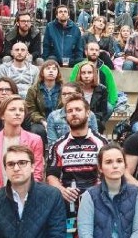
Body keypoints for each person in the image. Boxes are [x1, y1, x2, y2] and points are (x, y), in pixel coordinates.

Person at [46, 93, 109, 232]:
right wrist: (62, 190)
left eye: (78, 110)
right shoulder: (58, 145)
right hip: (67, 201)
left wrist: (96, 192)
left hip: (96, 200)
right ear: (65, 116)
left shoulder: (102, 143)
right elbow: (51, 175)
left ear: (87, 113)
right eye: (70, 111)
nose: (74, 114)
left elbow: (109, 174)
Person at [0, 144, 66, 238]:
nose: (16, 168)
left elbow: (57, 234)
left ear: (33, 167)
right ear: (5, 169)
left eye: (22, 163)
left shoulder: (52, 196)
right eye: (11, 164)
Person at [0, 95, 44, 198]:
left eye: (21, 110)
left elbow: (36, 174)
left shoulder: (35, 140)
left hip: (26, 197)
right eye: (12, 109)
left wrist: (24, 196)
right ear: (2, 115)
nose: (18, 113)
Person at [77, 144, 138, 238]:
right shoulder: (89, 196)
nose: (115, 166)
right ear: (100, 168)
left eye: (119, 161)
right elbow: (85, 233)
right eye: (108, 162)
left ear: (125, 165)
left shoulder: (136, 193)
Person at [26, 60, 64, 144]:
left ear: (58, 73)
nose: (51, 71)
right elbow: (31, 111)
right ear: (42, 72)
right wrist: (44, 122)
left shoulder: (64, 89)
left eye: (54, 69)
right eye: (48, 68)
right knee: (36, 129)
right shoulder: (33, 90)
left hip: (61, 120)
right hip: (40, 122)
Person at [73, 61, 109, 132]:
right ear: (79, 75)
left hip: (94, 119)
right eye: (83, 73)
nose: (86, 76)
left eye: (89, 72)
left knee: (98, 123)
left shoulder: (102, 89)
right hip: (76, 117)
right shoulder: (74, 89)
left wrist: (89, 118)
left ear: (94, 74)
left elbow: (102, 112)